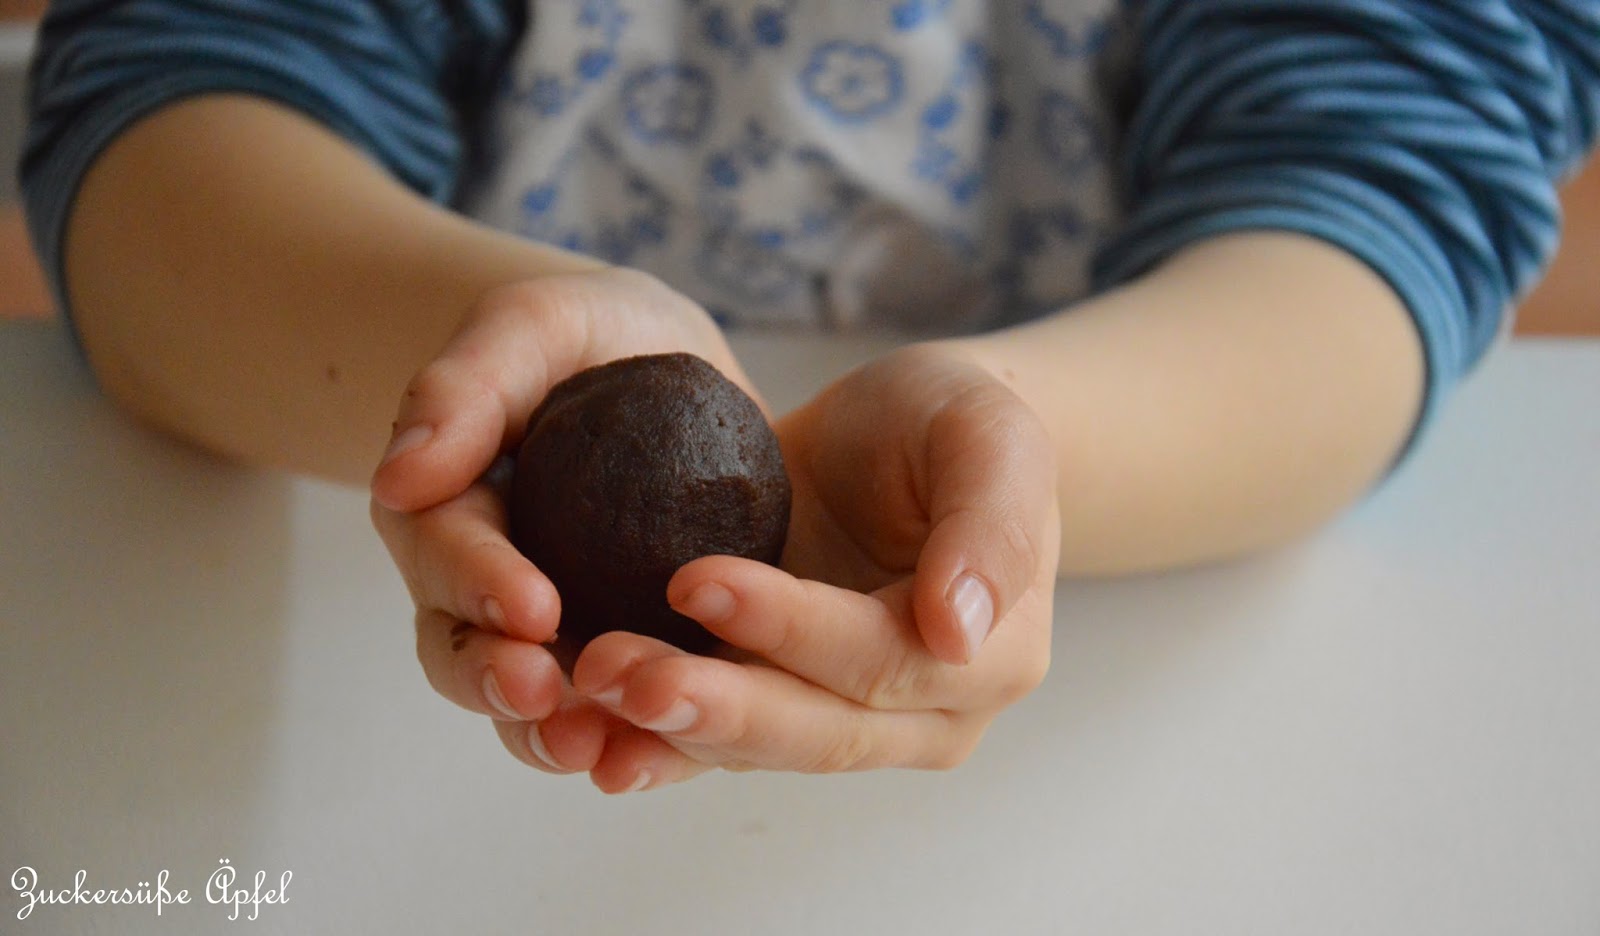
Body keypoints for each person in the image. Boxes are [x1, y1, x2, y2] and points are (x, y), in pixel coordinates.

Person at [22, 1, 1599, 793]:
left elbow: (1371, 225)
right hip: (322, 727)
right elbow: (168, 140)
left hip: (1124, 748)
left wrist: (1017, 444)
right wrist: (480, 358)